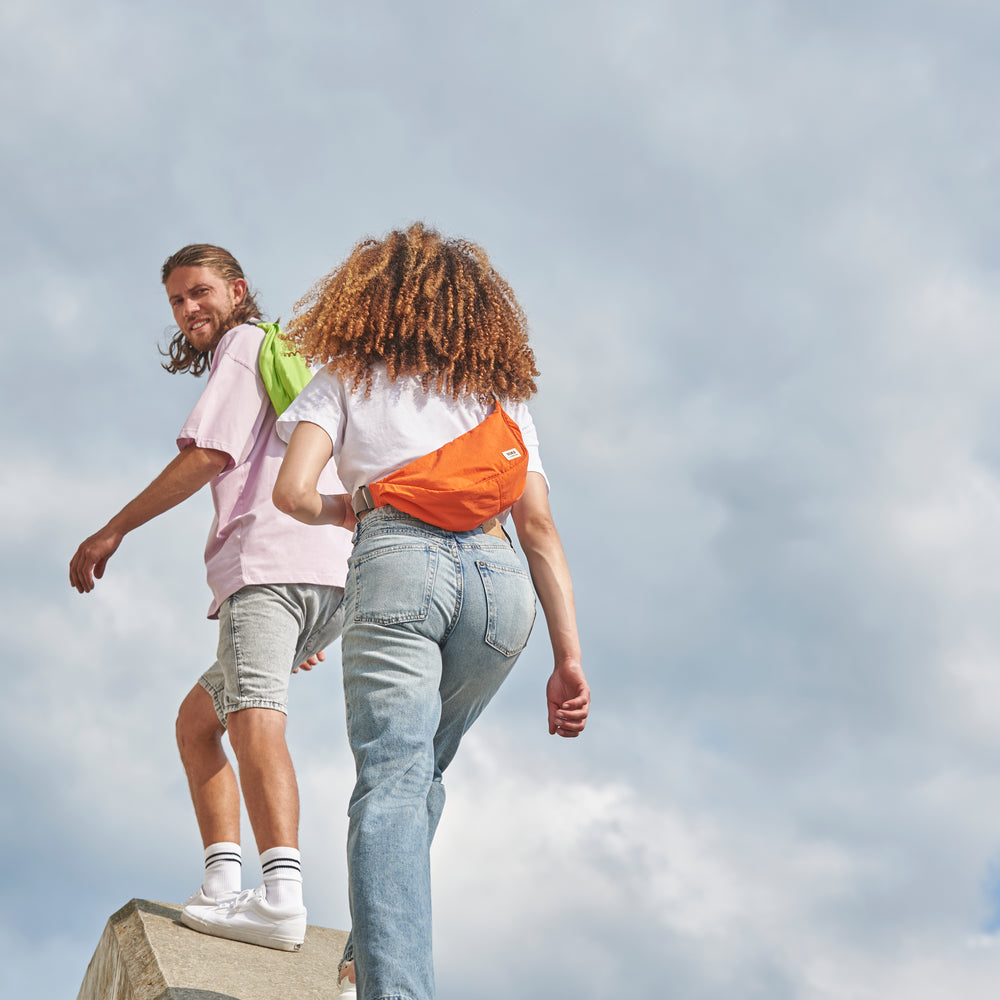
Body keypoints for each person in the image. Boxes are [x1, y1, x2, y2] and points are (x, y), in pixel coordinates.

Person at [272, 223, 591, 1000]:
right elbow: (539, 527)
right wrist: (569, 658)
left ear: (367, 298)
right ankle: (366, 959)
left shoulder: (345, 377)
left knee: (391, 775)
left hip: (398, 563)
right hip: (501, 587)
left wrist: (349, 508)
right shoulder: (499, 394)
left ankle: (393, 990)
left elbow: (292, 493)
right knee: (420, 773)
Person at [69, 244, 353, 951]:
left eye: (200, 292)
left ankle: (280, 896)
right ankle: (223, 885)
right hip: (325, 573)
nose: (188, 308)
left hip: (269, 564)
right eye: (176, 300)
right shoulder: (288, 353)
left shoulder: (244, 344)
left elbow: (207, 454)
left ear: (237, 290)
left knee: (255, 716)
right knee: (198, 724)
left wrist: (113, 528)